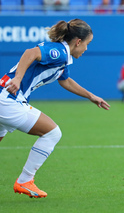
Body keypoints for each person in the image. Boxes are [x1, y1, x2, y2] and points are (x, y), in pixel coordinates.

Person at [0, 19, 110, 198]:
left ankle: (25, 181)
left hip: (5, 97)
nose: (86, 49)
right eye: (87, 44)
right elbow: (31, 53)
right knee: (52, 133)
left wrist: (91, 96)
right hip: (9, 100)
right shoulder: (58, 52)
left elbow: (65, 80)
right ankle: (25, 180)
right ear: (78, 42)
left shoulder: (63, 57)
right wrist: (18, 78)